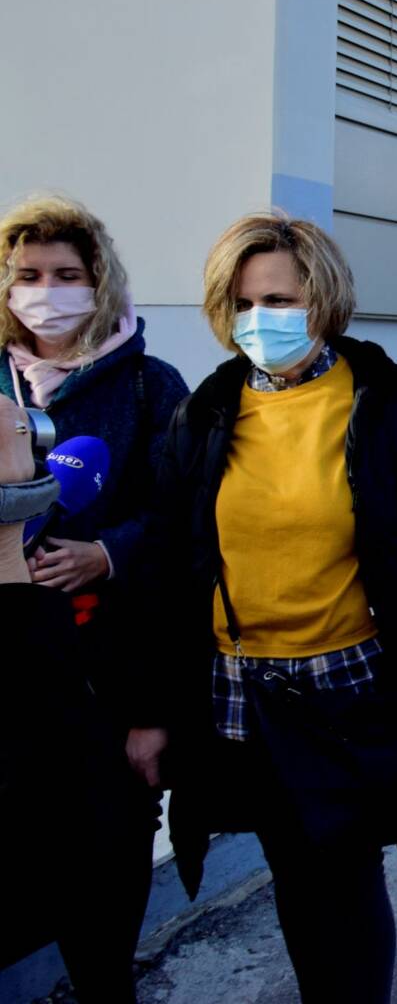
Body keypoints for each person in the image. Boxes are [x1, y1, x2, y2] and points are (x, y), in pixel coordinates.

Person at [153, 213, 397, 1003]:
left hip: (348, 688)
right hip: (244, 693)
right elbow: (170, 566)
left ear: (323, 300)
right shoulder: (205, 412)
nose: (260, 319)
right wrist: (155, 709)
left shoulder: (387, 404)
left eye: (280, 300)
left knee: (343, 871)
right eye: (244, 303)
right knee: (293, 869)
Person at [0, 196, 187, 1001]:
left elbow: (187, 522)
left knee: (104, 891)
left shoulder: (149, 384)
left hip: (109, 687)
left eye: (66, 274)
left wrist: (109, 554)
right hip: (10, 691)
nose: (46, 293)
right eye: (29, 275)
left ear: (99, 281)